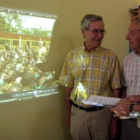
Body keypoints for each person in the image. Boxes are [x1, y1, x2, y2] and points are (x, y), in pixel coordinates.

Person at [58, 14, 121, 140]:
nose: (100, 35)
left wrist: (115, 121)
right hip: (78, 115)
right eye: (96, 31)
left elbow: (117, 91)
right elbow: (68, 90)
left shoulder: (111, 56)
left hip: (103, 115)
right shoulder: (72, 56)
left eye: (102, 31)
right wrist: (68, 114)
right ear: (83, 31)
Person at [111, 18, 140, 140]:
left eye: (132, 33)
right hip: (129, 121)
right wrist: (116, 119)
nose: (127, 37)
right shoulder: (127, 60)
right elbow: (125, 89)